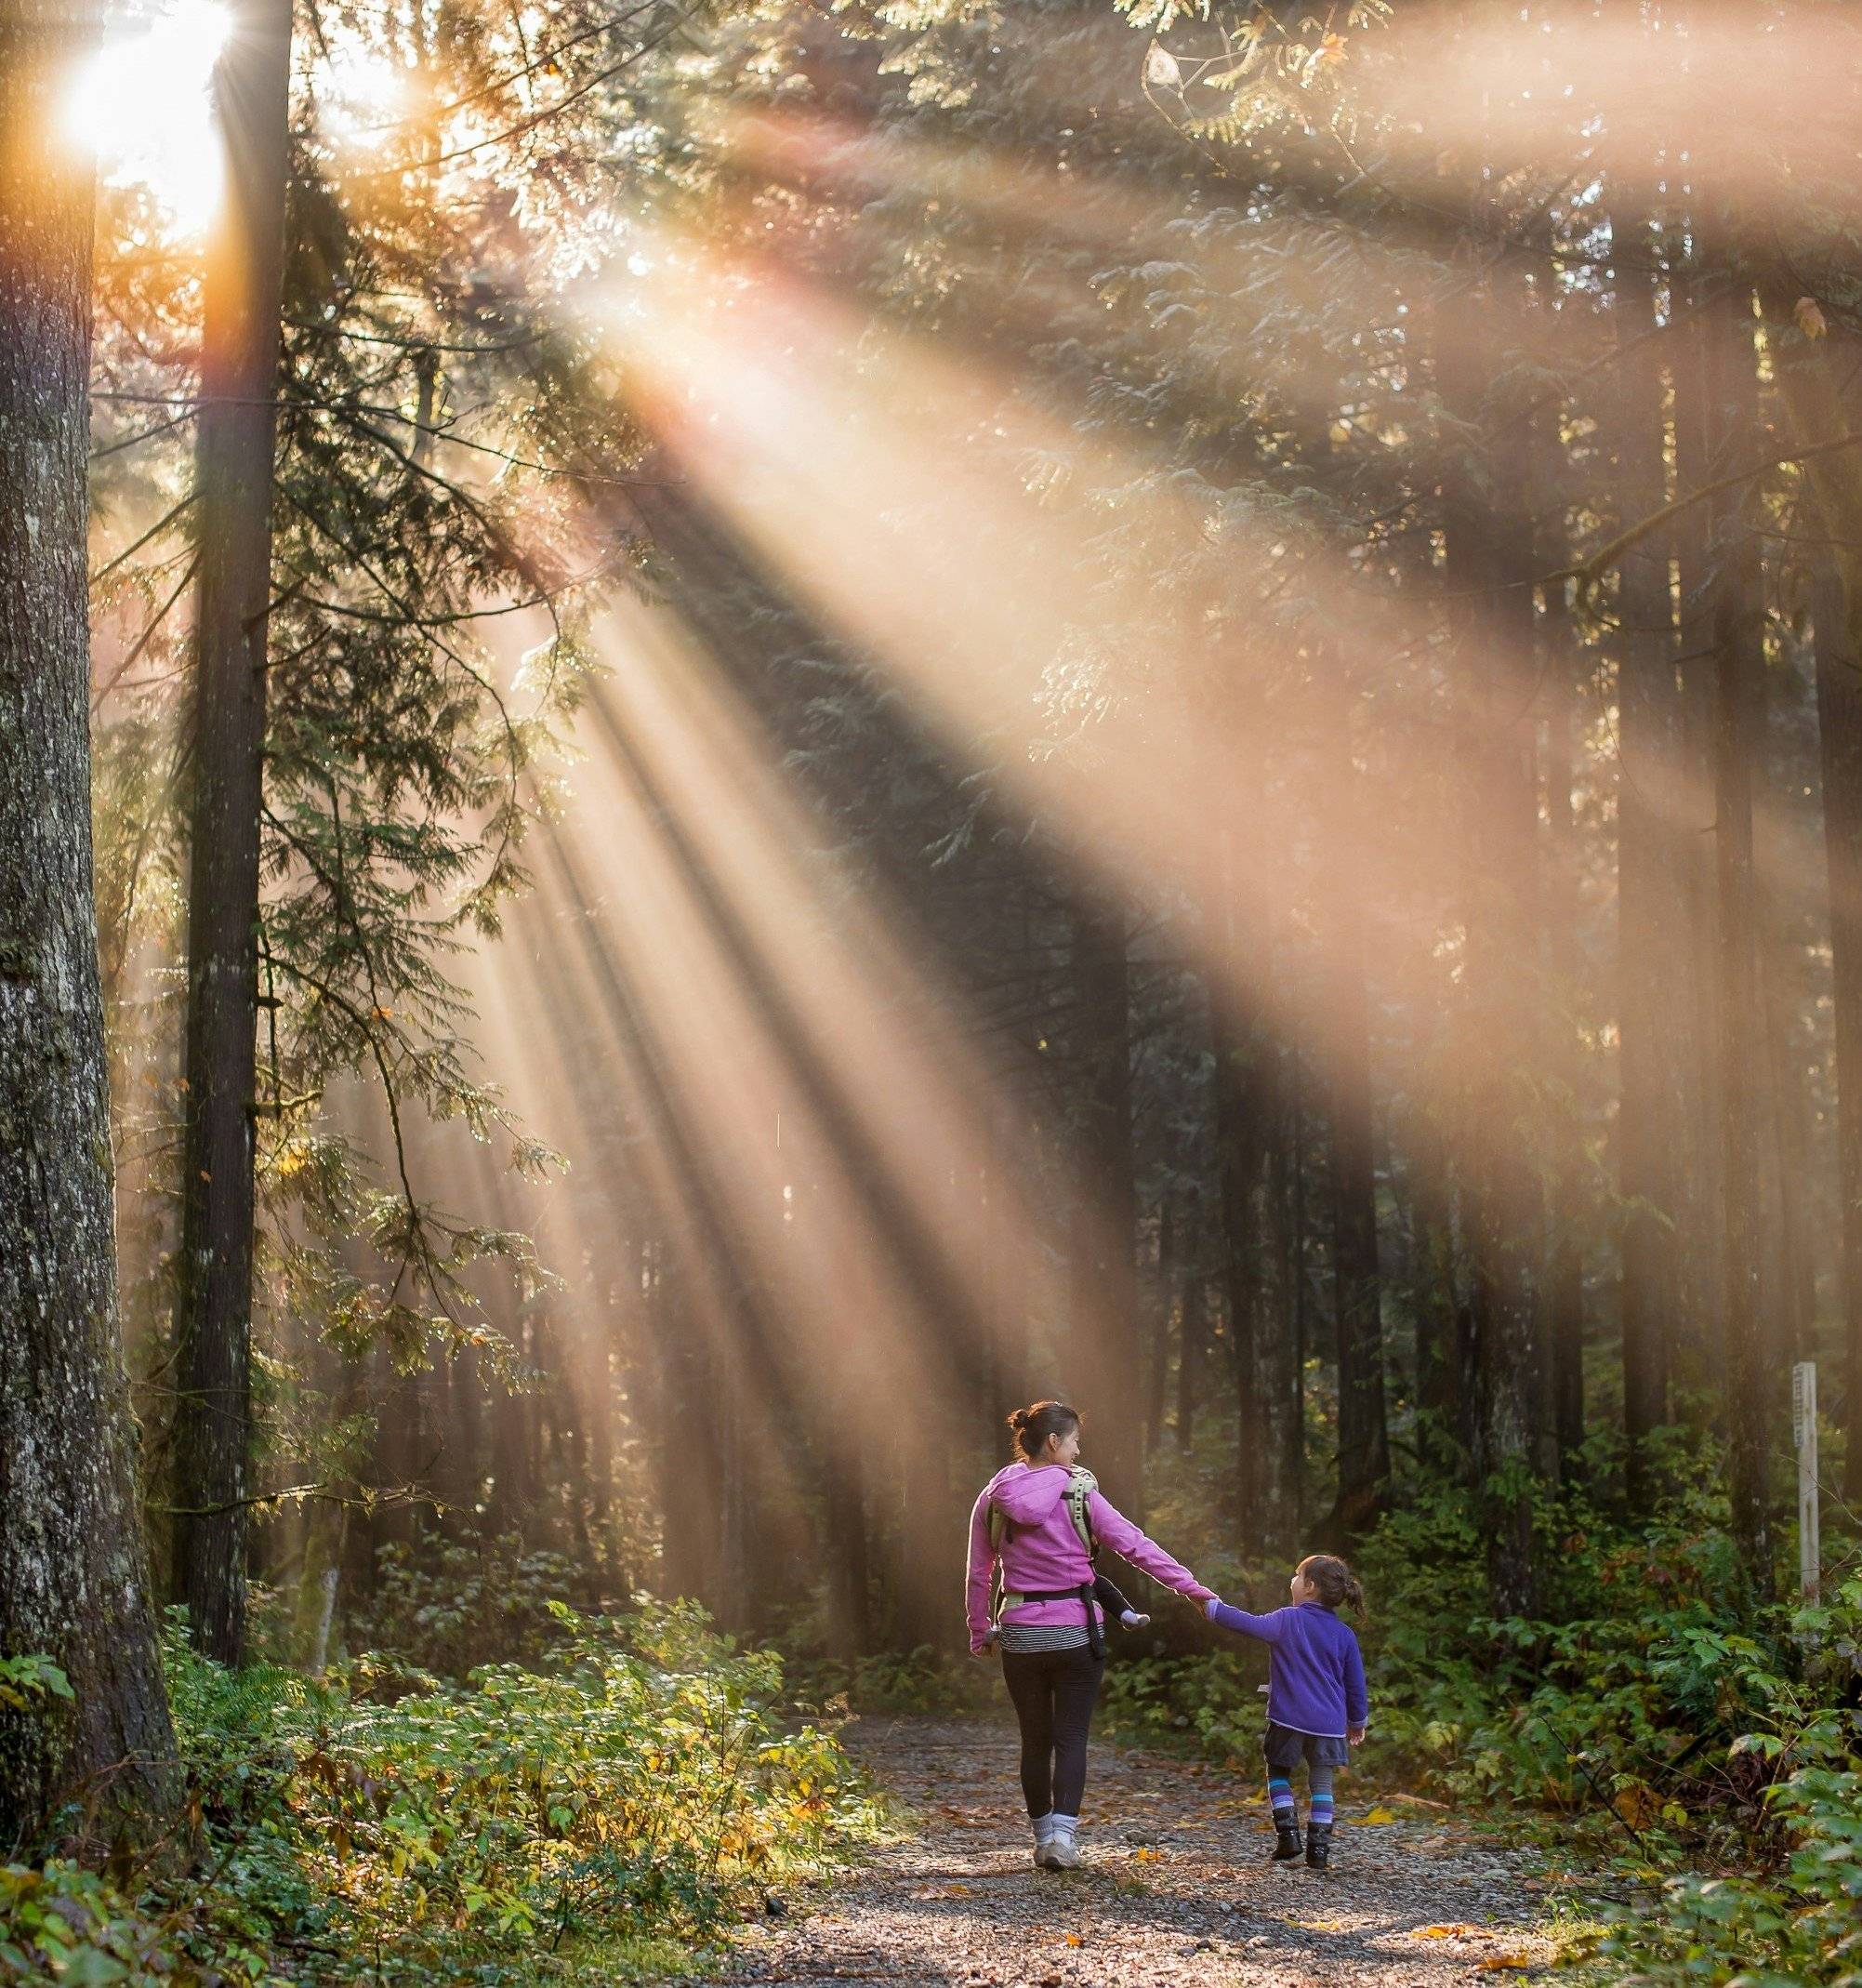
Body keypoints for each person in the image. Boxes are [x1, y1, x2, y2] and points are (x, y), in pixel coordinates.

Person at [966, 1400, 1213, 1871]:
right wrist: (1192, 1590)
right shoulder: (1080, 1493)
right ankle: (1063, 1838)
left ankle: (1041, 1839)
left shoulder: (994, 1495)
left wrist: (980, 1629)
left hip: (1020, 1634)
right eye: (1075, 1440)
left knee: (1034, 1740)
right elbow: (1136, 1546)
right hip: (1077, 1632)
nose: (1078, 1451)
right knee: (1071, 1738)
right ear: (1054, 1441)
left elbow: (980, 1571)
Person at [1204, 1554, 1368, 1871]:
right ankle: (1319, 1852)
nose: (1291, 1581)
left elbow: (1247, 1623)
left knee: (1278, 1773)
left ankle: (1288, 1836)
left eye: (1296, 1575)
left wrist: (1212, 1608)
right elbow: (1356, 1685)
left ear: (1309, 1586)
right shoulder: (1345, 1635)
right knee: (1322, 1784)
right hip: (1330, 1724)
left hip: (1288, 1718)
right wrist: (1357, 1722)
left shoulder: (1287, 1620)